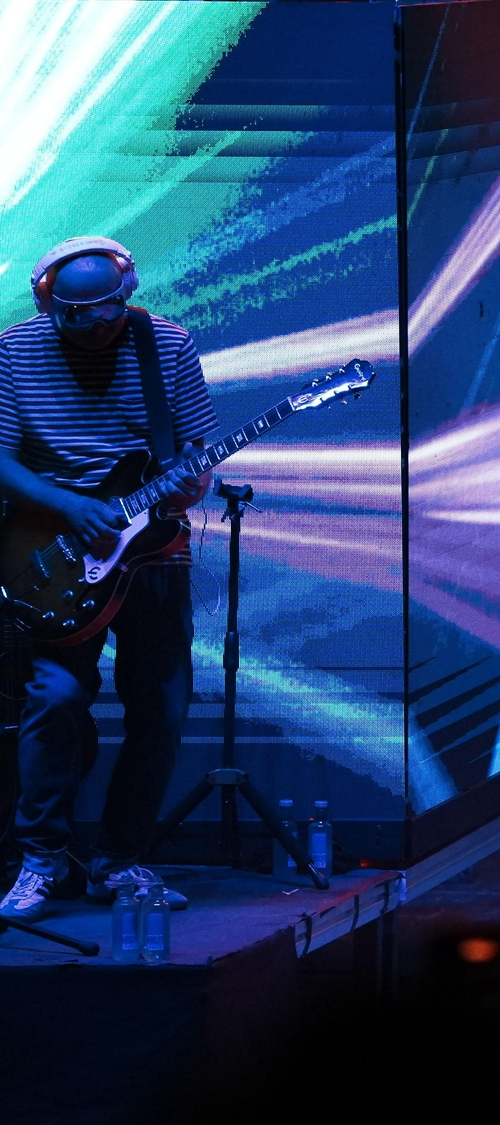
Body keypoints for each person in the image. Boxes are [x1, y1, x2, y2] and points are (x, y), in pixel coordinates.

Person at [0, 237, 214, 922]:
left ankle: (119, 859)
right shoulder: (16, 349)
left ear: (126, 294)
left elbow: (197, 458)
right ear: (47, 302)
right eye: (75, 316)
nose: (95, 327)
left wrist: (188, 484)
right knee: (56, 698)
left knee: (163, 706)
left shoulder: (168, 345)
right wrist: (71, 507)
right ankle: (42, 857)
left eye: (107, 312)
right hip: (51, 548)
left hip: (151, 555)